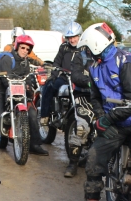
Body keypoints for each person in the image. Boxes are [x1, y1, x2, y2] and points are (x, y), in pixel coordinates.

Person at [75, 22, 131, 201]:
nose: (85, 53)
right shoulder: (94, 67)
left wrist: (108, 119)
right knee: (93, 157)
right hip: (114, 123)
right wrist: (101, 118)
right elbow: (95, 97)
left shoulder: (127, 63)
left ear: (95, 45)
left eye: (87, 48)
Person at [39, 21, 92, 177]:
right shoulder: (64, 48)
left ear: (80, 36)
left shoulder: (85, 49)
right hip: (64, 76)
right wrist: (56, 72)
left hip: (78, 79)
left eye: (75, 37)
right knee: (50, 85)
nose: (72, 40)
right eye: (70, 37)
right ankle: (45, 115)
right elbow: (57, 62)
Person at [0, 34, 49, 156]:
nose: (25, 51)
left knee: (32, 113)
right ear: (17, 47)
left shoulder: (25, 62)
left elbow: (28, 78)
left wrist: (28, 86)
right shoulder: (7, 59)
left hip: (17, 90)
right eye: (23, 48)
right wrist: (16, 83)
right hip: (1, 90)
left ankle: (34, 145)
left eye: (27, 49)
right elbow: (5, 79)